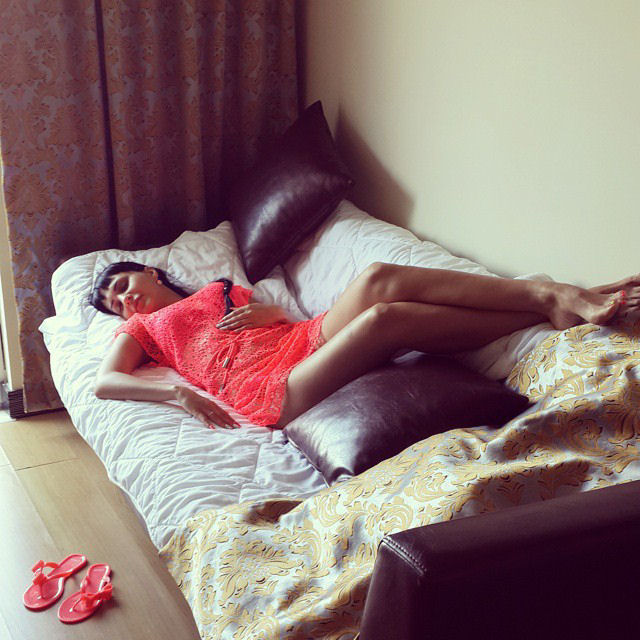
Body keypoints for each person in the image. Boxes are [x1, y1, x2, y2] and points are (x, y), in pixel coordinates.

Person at [92, 261, 639, 429]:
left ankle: (549, 296)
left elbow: (281, 320)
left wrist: (275, 313)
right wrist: (179, 394)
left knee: (378, 277)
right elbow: (105, 383)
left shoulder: (220, 290)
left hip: (298, 337)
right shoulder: (144, 329)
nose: (125, 300)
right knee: (384, 320)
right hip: (268, 388)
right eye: (115, 304)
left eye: (123, 285)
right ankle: (550, 301)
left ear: (149, 271)